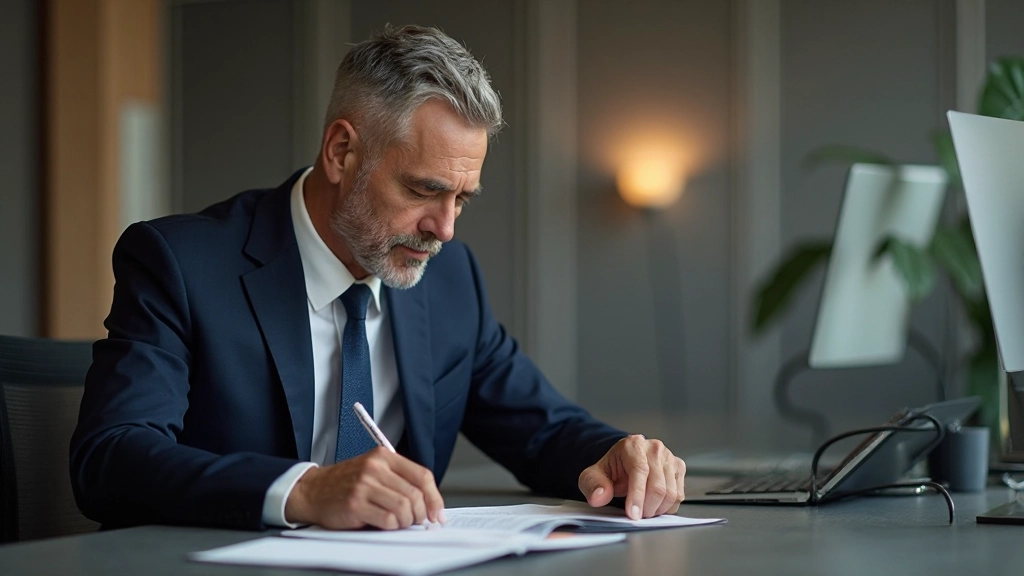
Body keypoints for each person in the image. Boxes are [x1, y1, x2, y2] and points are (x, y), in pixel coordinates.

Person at [70, 24, 686, 531]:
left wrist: (615, 455)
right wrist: (304, 491)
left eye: (462, 199)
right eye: (425, 190)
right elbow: (111, 455)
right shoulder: (181, 264)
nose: (445, 229)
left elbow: (543, 429)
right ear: (342, 153)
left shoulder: (450, 283)